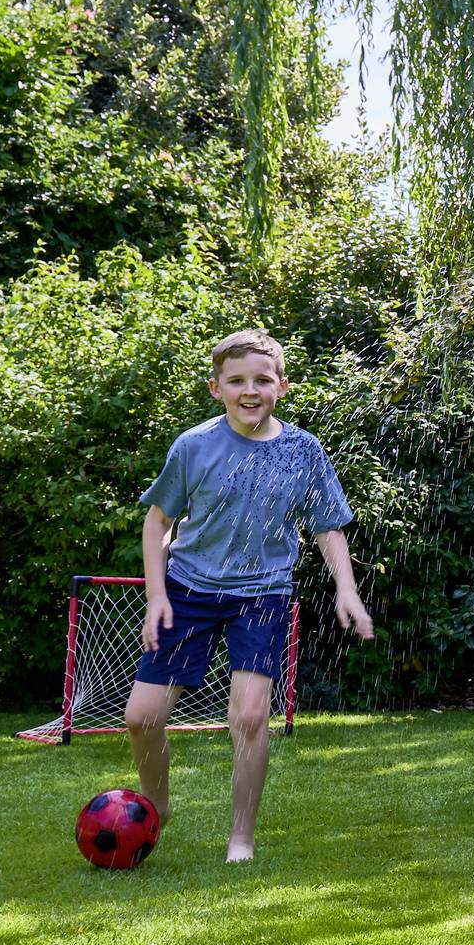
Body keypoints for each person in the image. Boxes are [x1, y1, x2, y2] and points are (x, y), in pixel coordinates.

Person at [126, 328, 373, 861]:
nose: (250, 390)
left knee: (250, 716)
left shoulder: (302, 451)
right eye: (236, 381)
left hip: (262, 595)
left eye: (262, 379)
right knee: (141, 718)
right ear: (216, 388)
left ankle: (241, 836)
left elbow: (328, 528)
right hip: (188, 590)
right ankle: (157, 805)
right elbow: (157, 523)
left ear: (281, 386)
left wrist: (346, 591)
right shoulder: (193, 446)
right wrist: (156, 595)